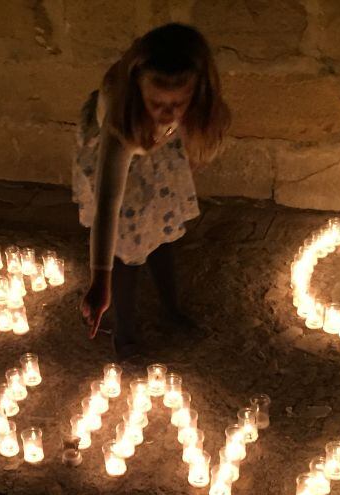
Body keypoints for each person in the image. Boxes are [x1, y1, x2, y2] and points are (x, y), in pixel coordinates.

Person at [73, 23, 231, 359]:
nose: (168, 113)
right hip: (121, 155)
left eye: (180, 103)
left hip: (153, 160)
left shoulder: (186, 104)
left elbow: (188, 128)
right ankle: (124, 333)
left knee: (162, 231)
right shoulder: (121, 119)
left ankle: (170, 308)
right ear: (139, 91)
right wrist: (99, 280)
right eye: (157, 102)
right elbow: (107, 204)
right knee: (128, 247)